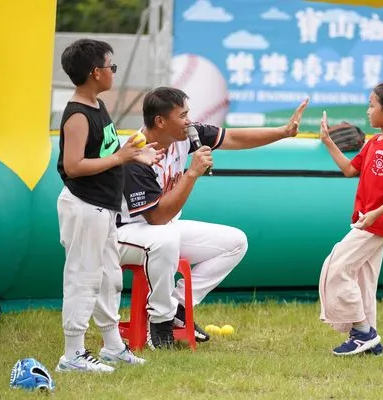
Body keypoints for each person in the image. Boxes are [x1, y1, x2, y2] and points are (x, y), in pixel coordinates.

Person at [117, 87, 309, 348]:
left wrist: (283, 132)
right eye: (182, 115)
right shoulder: (135, 153)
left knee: (235, 242)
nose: (189, 121)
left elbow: (235, 139)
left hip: (165, 232)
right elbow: (158, 218)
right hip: (126, 235)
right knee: (165, 237)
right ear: (160, 121)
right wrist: (192, 173)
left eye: (188, 114)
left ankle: (178, 309)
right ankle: (159, 321)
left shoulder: (185, 134)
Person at [56, 39, 162, 372]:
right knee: (83, 277)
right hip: (85, 207)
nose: (112, 72)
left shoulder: (97, 106)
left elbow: (107, 151)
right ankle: (72, 353)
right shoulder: (77, 115)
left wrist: (136, 155)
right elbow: (73, 165)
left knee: (108, 277)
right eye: (110, 66)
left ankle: (112, 346)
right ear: (95, 73)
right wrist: (120, 156)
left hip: (103, 208)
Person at [318, 82, 383, 356]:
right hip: (366, 221)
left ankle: (362, 331)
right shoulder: (375, 142)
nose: (367, 110)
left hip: (375, 224)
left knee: (337, 267)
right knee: (364, 281)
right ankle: (371, 342)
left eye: (371, 105)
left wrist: (375, 212)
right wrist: (327, 141)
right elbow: (350, 170)